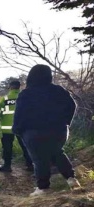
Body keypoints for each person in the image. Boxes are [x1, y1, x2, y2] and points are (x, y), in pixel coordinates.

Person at [12, 64, 81, 196]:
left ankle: (43, 188)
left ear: (31, 77)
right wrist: (66, 122)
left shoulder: (26, 93)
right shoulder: (59, 90)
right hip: (59, 131)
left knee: (39, 159)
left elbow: (19, 114)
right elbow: (72, 105)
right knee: (57, 153)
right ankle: (71, 179)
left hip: (33, 132)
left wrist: (17, 130)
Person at [0, 80, 33, 172]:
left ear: (10, 87)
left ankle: (7, 166)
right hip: (22, 127)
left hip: (7, 128)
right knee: (26, 146)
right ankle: (30, 165)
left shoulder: (5, 98)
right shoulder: (25, 97)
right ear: (19, 86)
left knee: (7, 147)